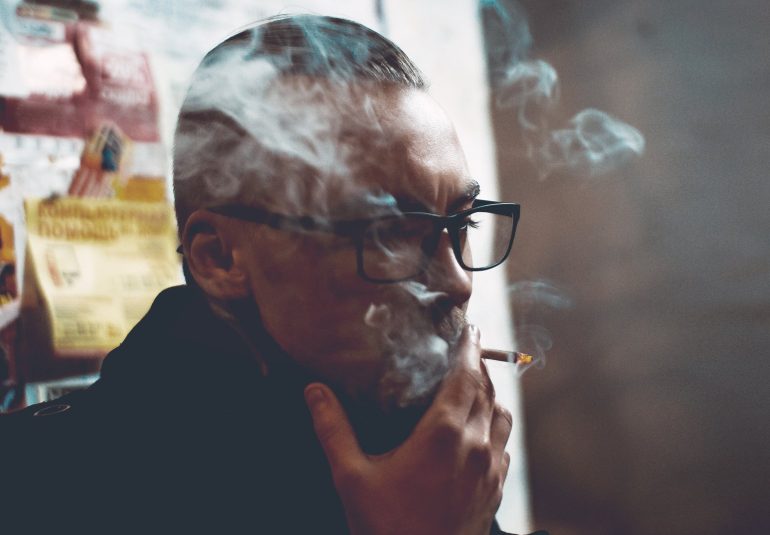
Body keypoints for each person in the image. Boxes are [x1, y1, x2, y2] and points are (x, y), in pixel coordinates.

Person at [1, 15, 546, 535]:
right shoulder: (40, 489)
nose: (458, 282)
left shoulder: (423, 455)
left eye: (462, 223)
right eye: (389, 233)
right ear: (219, 258)